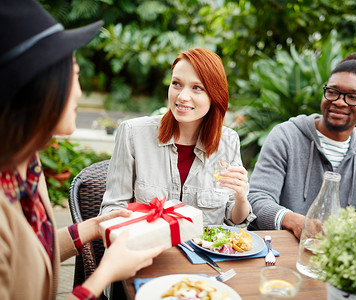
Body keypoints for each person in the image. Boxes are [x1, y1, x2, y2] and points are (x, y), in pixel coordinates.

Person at [0, 1, 164, 299]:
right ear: (43, 86)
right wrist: (104, 274)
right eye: (74, 75)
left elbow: (33, 252)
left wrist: (94, 226)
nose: (80, 91)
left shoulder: (26, 164)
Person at [247, 53, 356, 250]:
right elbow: (257, 199)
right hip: (280, 253)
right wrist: (296, 222)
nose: (340, 102)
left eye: (352, 97)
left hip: (341, 260)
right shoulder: (286, 136)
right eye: (333, 92)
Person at [100, 48, 255, 226]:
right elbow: (112, 210)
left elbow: (234, 220)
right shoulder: (133, 133)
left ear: (215, 96)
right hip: (149, 250)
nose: (182, 96)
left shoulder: (228, 141)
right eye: (176, 84)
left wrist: (241, 197)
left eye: (197, 88)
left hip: (206, 252)